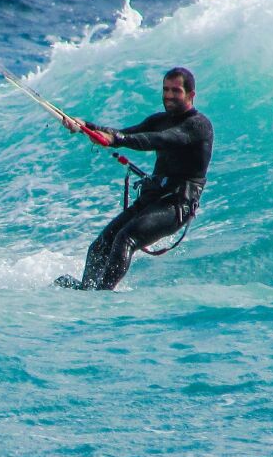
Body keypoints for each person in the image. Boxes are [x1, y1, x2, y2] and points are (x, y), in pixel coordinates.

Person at [58, 67, 213, 291]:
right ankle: (86, 291)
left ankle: (102, 295)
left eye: (176, 90)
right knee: (100, 246)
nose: (168, 95)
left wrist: (115, 139)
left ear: (191, 95)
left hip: (177, 204)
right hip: (153, 198)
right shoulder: (159, 119)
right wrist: (84, 126)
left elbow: (157, 140)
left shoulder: (198, 125)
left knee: (126, 239)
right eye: (165, 89)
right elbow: (126, 132)